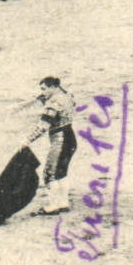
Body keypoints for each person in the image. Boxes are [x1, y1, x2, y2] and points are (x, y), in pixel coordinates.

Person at [31, 77, 78, 215]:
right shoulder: (67, 96)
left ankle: (52, 206)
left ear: (52, 87)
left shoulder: (53, 102)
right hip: (71, 138)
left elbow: (43, 126)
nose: (42, 92)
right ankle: (63, 203)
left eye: (44, 89)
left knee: (50, 173)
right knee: (61, 172)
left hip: (60, 139)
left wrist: (27, 141)